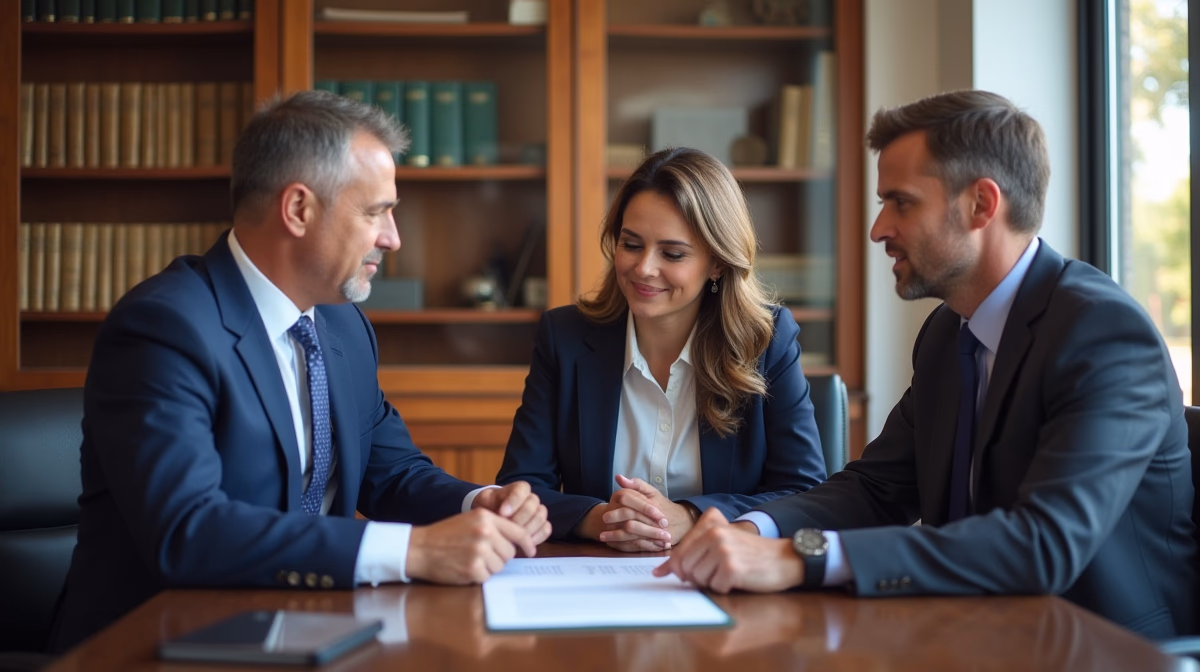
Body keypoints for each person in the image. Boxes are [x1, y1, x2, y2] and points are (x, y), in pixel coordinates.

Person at [654, 90, 1196, 639]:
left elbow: (1044, 544)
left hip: (1103, 647)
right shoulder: (948, 333)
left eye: (901, 202)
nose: (878, 229)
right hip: (972, 633)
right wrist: (751, 529)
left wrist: (803, 558)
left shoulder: (1103, 335)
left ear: (982, 205)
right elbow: (877, 489)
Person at [49, 91, 551, 652]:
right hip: (156, 646)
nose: (393, 237)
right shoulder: (163, 328)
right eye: (375, 211)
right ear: (298, 209)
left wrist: (476, 502)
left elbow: (391, 474)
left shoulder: (343, 327)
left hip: (311, 632)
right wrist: (415, 551)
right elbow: (187, 530)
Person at [496, 148, 827, 552]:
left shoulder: (767, 341)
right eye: (631, 244)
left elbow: (804, 493)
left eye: (672, 254)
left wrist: (692, 517)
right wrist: (597, 519)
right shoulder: (563, 337)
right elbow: (520, 488)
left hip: (727, 579)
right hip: (597, 577)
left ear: (718, 264)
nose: (644, 268)